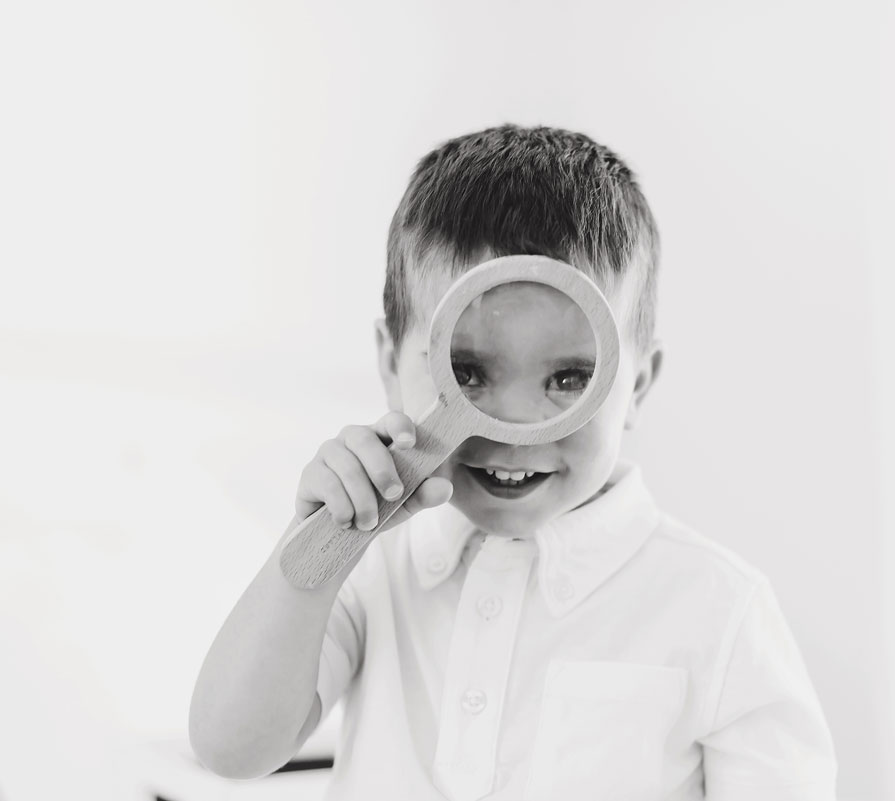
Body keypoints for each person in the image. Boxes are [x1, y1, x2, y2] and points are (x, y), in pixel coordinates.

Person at [188, 124, 838, 800]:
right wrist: (311, 559)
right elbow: (230, 748)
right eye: (466, 371)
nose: (519, 430)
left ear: (636, 385)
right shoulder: (373, 565)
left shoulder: (719, 607)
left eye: (568, 377)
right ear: (390, 362)